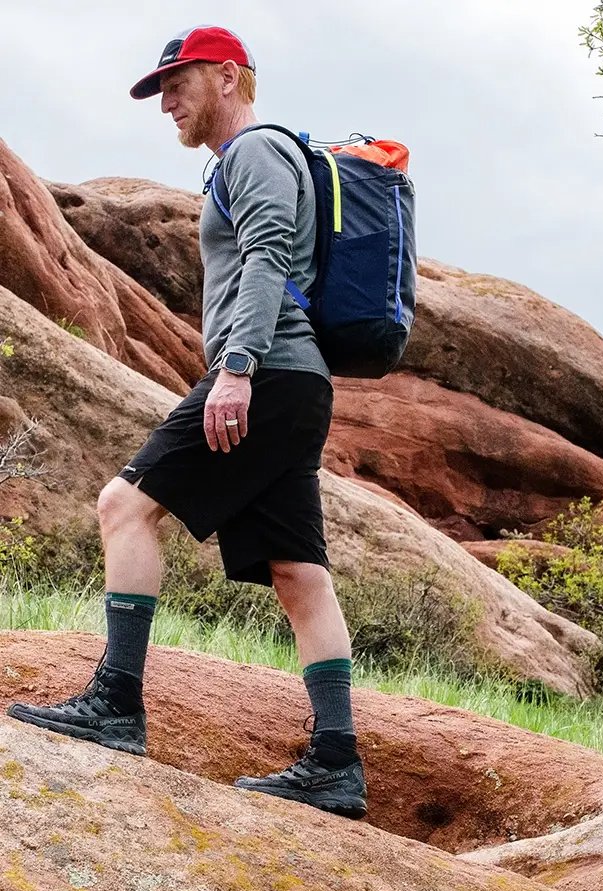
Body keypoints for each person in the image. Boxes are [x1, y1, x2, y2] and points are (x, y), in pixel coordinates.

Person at [6, 26, 367, 818]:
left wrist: (235, 369)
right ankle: (337, 762)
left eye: (180, 81)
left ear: (230, 78)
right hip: (291, 380)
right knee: (297, 571)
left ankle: (116, 704)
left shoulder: (256, 153)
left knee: (124, 506)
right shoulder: (245, 160)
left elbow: (269, 254)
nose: (166, 99)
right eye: (160, 88)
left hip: (265, 372)